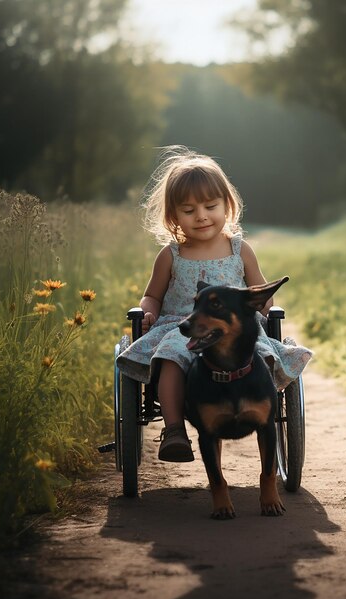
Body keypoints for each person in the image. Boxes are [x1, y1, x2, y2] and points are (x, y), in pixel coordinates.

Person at [120, 146, 312, 462]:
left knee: (261, 354)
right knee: (170, 357)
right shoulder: (172, 255)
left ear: (227, 206)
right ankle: (175, 430)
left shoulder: (240, 250)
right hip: (185, 327)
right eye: (188, 209)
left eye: (210, 205)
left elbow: (258, 289)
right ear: (173, 215)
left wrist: (265, 306)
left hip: (234, 329)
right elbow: (152, 294)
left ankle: (257, 406)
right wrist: (150, 310)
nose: (201, 216)